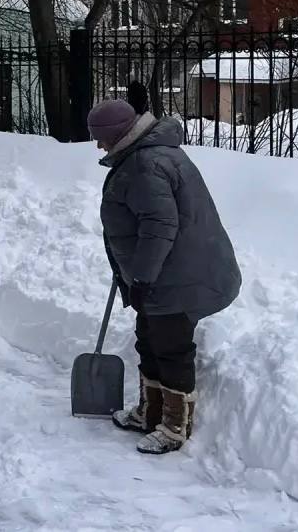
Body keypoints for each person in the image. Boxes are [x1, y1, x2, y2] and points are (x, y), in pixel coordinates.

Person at [90, 94, 241, 455]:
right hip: (167, 272)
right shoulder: (148, 154)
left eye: (100, 136)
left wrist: (140, 275)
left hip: (178, 275)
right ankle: (151, 410)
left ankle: (175, 427)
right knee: (149, 338)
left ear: (116, 133)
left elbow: (159, 227)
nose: (98, 144)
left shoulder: (146, 163)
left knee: (171, 347)